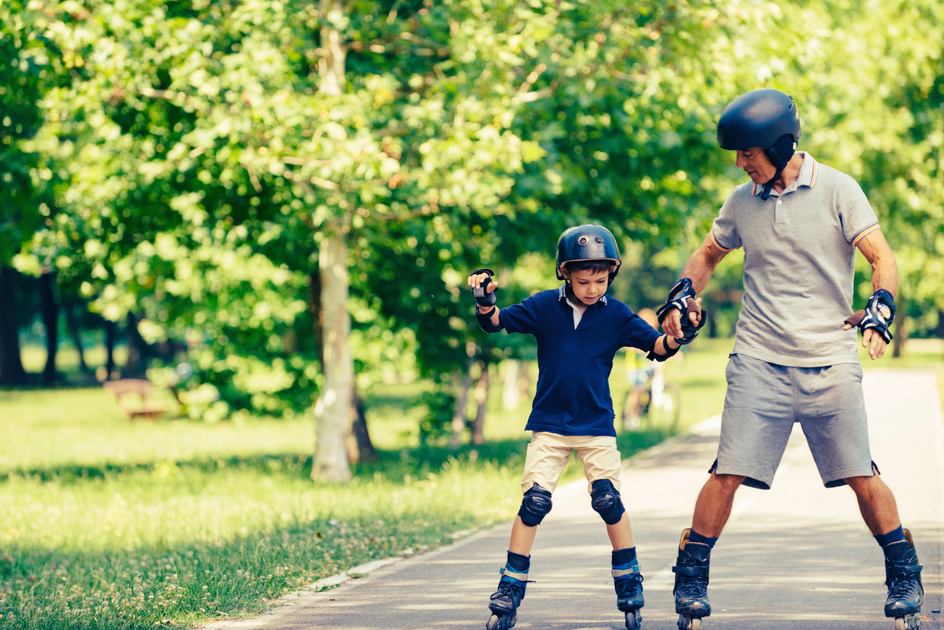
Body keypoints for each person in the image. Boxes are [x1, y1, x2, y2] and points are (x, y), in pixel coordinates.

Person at [657, 88, 923, 630]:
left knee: (860, 474)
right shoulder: (740, 202)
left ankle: (903, 572)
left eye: (748, 153)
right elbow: (709, 253)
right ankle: (691, 578)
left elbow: (883, 258)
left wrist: (881, 307)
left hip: (829, 358)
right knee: (727, 470)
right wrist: (684, 292)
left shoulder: (838, 190)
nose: (740, 163)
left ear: (779, 145)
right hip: (759, 358)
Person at [467, 224, 704, 630]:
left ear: (611, 274)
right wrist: (485, 301)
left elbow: (657, 349)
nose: (592, 288)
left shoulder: (615, 314)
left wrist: (682, 333)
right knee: (534, 502)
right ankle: (510, 586)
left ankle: (628, 582)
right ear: (564, 273)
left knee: (608, 500)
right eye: (583, 280)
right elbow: (495, 324)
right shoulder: (543, 306)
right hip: (549, 423)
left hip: (596, 425)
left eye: (600, 279)